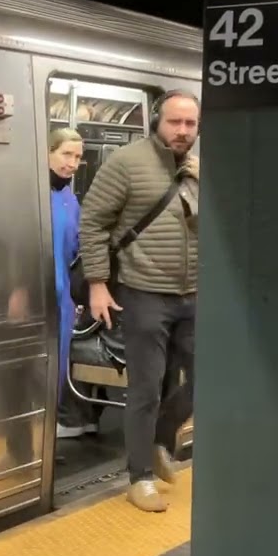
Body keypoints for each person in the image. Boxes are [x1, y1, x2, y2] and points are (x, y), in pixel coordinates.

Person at [79, 90, 199, 513]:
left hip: (194, 294)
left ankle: (161, 438)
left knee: (211, 377)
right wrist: (97, 284)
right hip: (143, 291)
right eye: (175, 122)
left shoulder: (199, 168)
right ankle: (140, 477)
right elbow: (93, 223)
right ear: (156, 121)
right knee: (146, 387)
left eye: (190, 123)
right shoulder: (126, 163)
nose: (183, 130)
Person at [46, 128, 99, 439]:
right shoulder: (32, 195)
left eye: (78, 157)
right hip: (36, 292)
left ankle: (50, 431)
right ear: (47, 152)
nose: (73, 163)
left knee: (59, 364)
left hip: (63, 296)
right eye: (66, 154)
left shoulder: (69, 199)